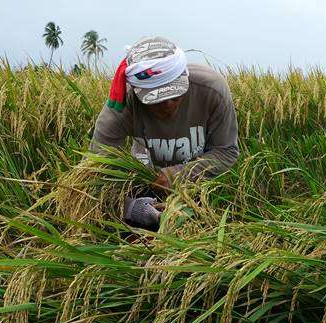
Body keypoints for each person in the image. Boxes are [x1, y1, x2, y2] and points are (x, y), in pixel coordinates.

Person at [89, 36, 239, 231]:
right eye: (156, 100)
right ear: (136, 91)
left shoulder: (211, 90)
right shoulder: (121, 107)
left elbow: (226, 152)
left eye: (175, 96)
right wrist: (131, 207)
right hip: (146, 185)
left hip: (202, 187)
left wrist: (177, 175)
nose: (168, 106)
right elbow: (97, 173)